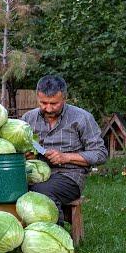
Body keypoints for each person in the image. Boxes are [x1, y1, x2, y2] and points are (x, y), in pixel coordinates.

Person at [21, 75, 107, 223]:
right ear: (37, 97)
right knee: (10, 189)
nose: (48, 108)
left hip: (69, 175)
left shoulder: (81, 118)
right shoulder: (28, 118)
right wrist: (25, 155)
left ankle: (53, 234)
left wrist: (65, 157)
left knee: (41, 191)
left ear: (64, 98)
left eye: (54, 103)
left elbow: (100, 153)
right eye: (43, 103)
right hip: (34, 173)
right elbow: (18, 148)